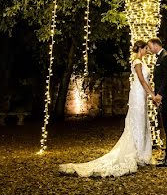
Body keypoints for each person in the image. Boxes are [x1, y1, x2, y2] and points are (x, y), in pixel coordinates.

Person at [59, 40, 154, 177]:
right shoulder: (137, 63)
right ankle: (137, 153)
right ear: (141, 49)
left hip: (142, 95)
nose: (147, 51)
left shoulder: (142, 61)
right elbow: (142, 80)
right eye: (146, 48)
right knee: (137, 122)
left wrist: (149, 94)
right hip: (138, 95)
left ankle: (142, 153)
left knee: (142, 122)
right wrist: (152, 94)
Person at [148, 37, 167, 166]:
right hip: (165, 96)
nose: (149, 50)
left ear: (156, 45)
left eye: (150, 47)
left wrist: (160, 94)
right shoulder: (160, 58)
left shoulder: (166, 58)